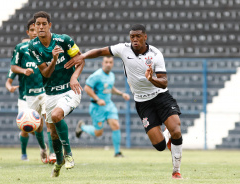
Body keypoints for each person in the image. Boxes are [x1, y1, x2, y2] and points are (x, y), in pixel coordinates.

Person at [65, 24, 183, 179]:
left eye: (138, 36)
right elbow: (100, 51)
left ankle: (176, 170)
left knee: (176, 129)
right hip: (143, 102)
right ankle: (165, 137)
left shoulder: (155, 54)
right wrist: (83, 56)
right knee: (160, 146)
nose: (134, 39)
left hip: (161, 96)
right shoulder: (123, 49)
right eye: (132, 36)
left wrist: (151, 79)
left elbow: (164, 81)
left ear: (145, 37)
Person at [28, 11, 84, 177]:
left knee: (57, 114)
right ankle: (59, 162)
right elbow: (45, 73)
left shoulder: (64, 40)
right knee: (52, 133)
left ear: (49, 25)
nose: (41, 27)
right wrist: (54, 59)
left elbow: (80, 59)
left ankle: (68, 154)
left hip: (70, 89)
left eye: (44, 23)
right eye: (38, 24)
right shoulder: (33, 47)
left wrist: (74, 77)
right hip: (50, 93)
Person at [7, 18, 55, 164]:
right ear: (28, 32)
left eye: (37, 29)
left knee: (49, 121)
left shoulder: (46, 47)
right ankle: (42, 148)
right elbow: (13, 68)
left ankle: (52, 153)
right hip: (27, 95)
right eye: (32, 30)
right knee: (35, 125)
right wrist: (23, 71)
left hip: (45, 92)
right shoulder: (21, 49)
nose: (36, 32)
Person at [75, 56, 130, 157]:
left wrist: (122, 94)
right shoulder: (97, 75)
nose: (108, 64)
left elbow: (110, 88)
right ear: (102, 63)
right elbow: (87, 88)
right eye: (106, 62)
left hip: (109, 105)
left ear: (112, 64)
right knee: (98, 133)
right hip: (97, 107)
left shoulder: (111, 75)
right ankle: (82, 127)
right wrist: (97, 99)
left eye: (110, 62)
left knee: (116, 125)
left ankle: (117, 152)